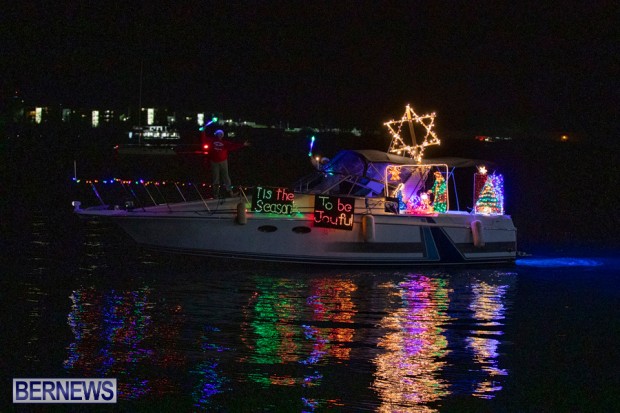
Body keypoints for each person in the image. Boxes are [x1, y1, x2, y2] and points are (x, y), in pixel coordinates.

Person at [201, 129, 249, 196]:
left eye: (221, 134)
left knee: (226, 177)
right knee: (216, 178)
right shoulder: (211, 141)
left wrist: (242, 144)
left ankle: (230, 193)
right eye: (218, 134)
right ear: (216, 134)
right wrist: (203, 131)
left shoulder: (224, 143)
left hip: (223, 161)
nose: (220, 135)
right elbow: (204, 139)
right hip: (214, 162)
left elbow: (233, 145)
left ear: (222, 135)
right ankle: (216, 194)